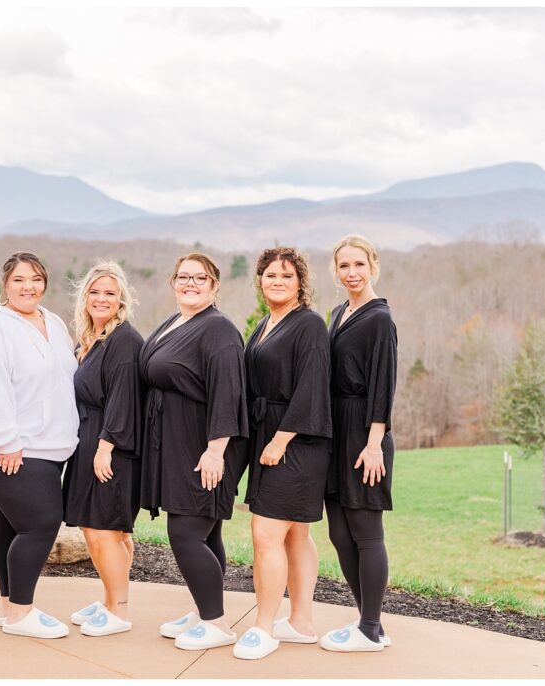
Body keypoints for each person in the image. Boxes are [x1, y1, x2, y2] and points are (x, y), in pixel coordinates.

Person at [0, 251, 79, 639]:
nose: (29, 287)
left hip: (49, 444)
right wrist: (5, 440)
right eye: (19, 280)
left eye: (36, 279)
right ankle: (21, 614)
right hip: (9, 445)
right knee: (41, 524)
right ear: (5, 284)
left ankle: (8, 608)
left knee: (12, 525)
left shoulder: (54, 321)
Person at [140, 252, 250, 651]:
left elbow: (228, 392)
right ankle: (206, 608)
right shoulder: (177, 322)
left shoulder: (218, 329)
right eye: (183, 277)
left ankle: (216, 624)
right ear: (173, 282)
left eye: (200, 278)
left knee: (185, 533)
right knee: (207, 533)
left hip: (205, 445)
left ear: (215, 286)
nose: (190, 283)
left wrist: (215, 450)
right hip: (177, 443)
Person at [237, 247, 331, 660]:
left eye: (286, 276)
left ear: (300, 283)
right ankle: (301, 622)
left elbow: (312, 386)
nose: (277, 281)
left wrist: (280, 439)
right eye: (270, 274)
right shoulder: (264, 325)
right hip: (267, 436)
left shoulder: (308, 325)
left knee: (266, 533)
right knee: (295, 534)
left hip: (296, 441)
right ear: (260, 279)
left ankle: (263, 626)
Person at [319, 235, 397, 653]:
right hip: (336, 431)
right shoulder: (337, 313)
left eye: (359, 265)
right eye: (344, 266)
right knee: (339, 533)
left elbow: (384, 385)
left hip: (365, 433)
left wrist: (373, 443)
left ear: (373, 266)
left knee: (366, 532)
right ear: (336, 270)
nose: (351, 273)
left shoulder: (379, 319)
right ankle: (370, 621)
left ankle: (369, 627)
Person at [62, 263, 144, 637]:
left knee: (104, 530)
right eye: (95, 292)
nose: (101, 299)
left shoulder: (123, 340)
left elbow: (124, 398)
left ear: (121, 299)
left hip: (110, 443)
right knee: (103, 529)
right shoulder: (90, 338)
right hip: (88, 439)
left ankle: (120, 611)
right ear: (85, 297)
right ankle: (111, 599)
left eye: (110, 293)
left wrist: (105, 447)